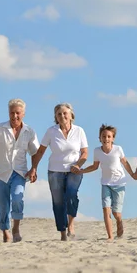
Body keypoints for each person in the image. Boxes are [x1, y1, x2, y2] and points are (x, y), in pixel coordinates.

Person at [0, 98, 40, 243]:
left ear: (23, 114)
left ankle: (16, 228)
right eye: (12, 113)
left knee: (18, 198)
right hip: (0, 173)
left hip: (19, 173)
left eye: (18, 113)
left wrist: (33, 169)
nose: (14, 116)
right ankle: (5, 232)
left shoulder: (29, 132)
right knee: (3, 206)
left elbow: (35, 152)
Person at [29, 103, 88, 241]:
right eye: (59, 114)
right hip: (55, 171)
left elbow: (84, 152)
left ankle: (71, 225)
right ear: (55, 117)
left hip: (74, 170)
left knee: (72, 196)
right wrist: (34, 167)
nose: (62, 116)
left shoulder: (79, 131)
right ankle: (62, 232)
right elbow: (41, 151)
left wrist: (78, 165)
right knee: (58, 202)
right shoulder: (51, 131)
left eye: (65, 113)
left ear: (71, 115)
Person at [81, 124, 137, 241]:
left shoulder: (118, 149)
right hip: (105, 184)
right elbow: (94, 166)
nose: (106, 139)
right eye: (103, 136)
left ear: (113, 138)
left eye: (109, 136)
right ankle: (110, 236)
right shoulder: (97, 151)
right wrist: (81, 171)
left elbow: (125, 163)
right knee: (106, 209)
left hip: (119, 183)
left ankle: (119, 221)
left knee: (116, 213)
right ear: (100, 138)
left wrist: (133, 174)